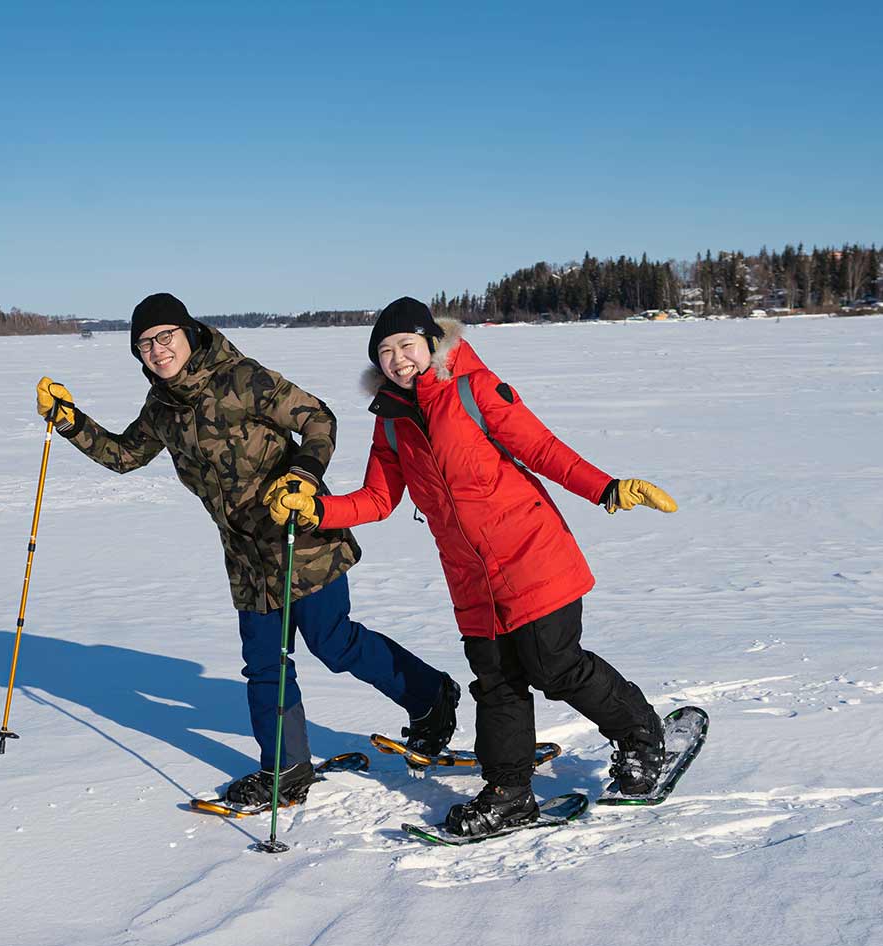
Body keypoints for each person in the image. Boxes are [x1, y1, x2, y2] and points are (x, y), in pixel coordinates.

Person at [270, 296, 677, 836]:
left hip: (532, 554)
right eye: (386, 351)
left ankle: (641, 736)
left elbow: (543, 449)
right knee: (496, 680)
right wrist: (319, 509)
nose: (398, 359)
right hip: (471, 577)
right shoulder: (391, 421)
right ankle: (509, 792)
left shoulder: (474, 389)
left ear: (431, 343)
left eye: (407, 345)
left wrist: (606, 488)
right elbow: (377, 498)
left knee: (552, 663)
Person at [35, 292, 460, 807]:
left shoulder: (241, 378)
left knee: (334, 642)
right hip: (245, 555)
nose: (157, 349)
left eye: (165, 336)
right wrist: (70, 421)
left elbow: (318, 418)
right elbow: (126, 456)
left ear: (188, 334)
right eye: (144, 343)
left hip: (299, 534)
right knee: (264, 663)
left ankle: (431, 695)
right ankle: (287, 768)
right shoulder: (162, 408)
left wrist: (303, 475)